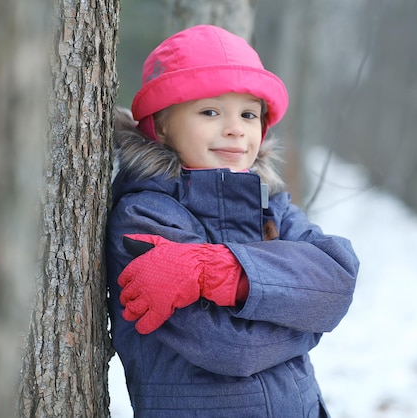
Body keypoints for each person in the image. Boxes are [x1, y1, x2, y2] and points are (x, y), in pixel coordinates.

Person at [106, 24, 359, 418]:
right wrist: (306, 321)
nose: (235, 129)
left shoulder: (268, 203)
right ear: (163, 122)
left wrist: (220, 271)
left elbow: (337, 280)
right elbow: (231, 347)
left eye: (248, 114)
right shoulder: (145, 214)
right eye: (210, 112)